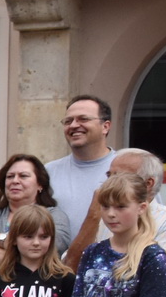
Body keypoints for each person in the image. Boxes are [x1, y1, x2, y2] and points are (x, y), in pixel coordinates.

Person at [0, 154, 72, 296]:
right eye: (10, 176)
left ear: (40, 185)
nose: (15, 181)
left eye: (23, 176)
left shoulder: (54, 215)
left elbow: (56, 246)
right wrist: (26, 257)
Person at [49, 96, 118, 268]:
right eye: (68, 121)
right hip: (58, 276)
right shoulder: (47, 172)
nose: (73, 125)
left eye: (83, 119)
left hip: (114, 276)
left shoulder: (127, 168)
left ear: (105, 126)